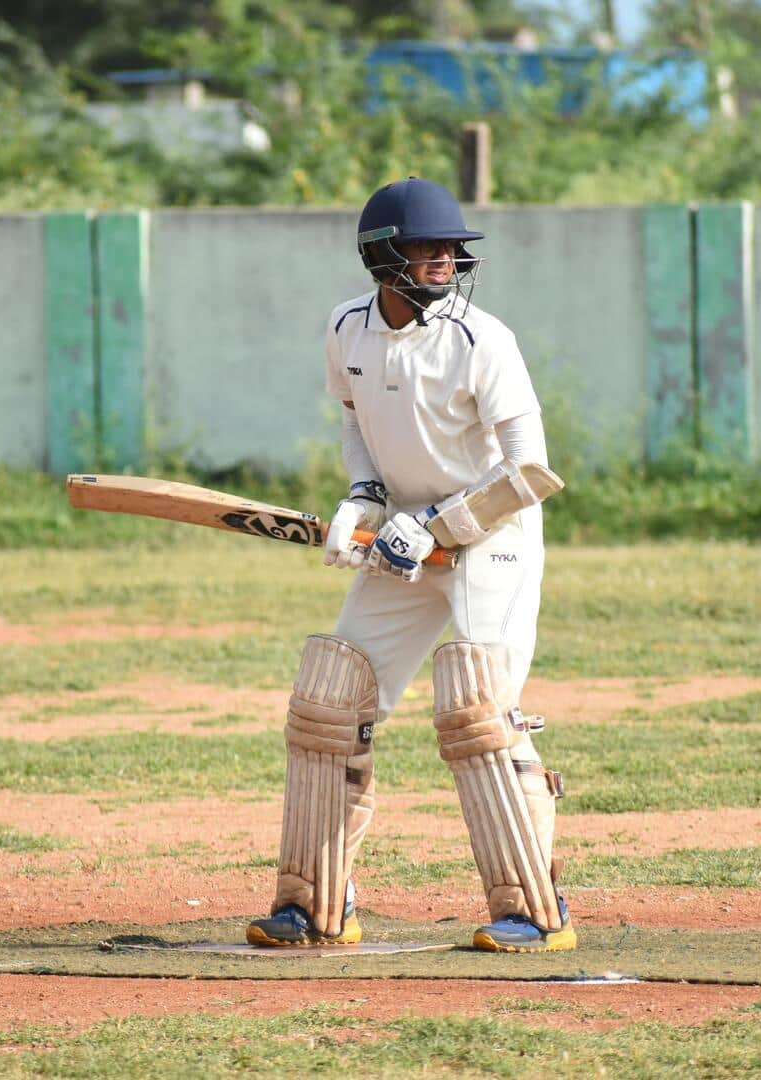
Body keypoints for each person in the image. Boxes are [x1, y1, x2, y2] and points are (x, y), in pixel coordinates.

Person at [245, 177, 572, 953]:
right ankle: (316, 902)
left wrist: (437, 523)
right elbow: (354, 420)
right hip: (402, 539)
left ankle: (535, 908)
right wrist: (364, 498)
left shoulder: (481, 340)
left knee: (478, 709)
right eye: (427, 248)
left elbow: (531, 472)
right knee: (331, 700)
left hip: (491, 536)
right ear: (381, 255)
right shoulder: (347, 327)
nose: (444, 262)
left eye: (451, 250)